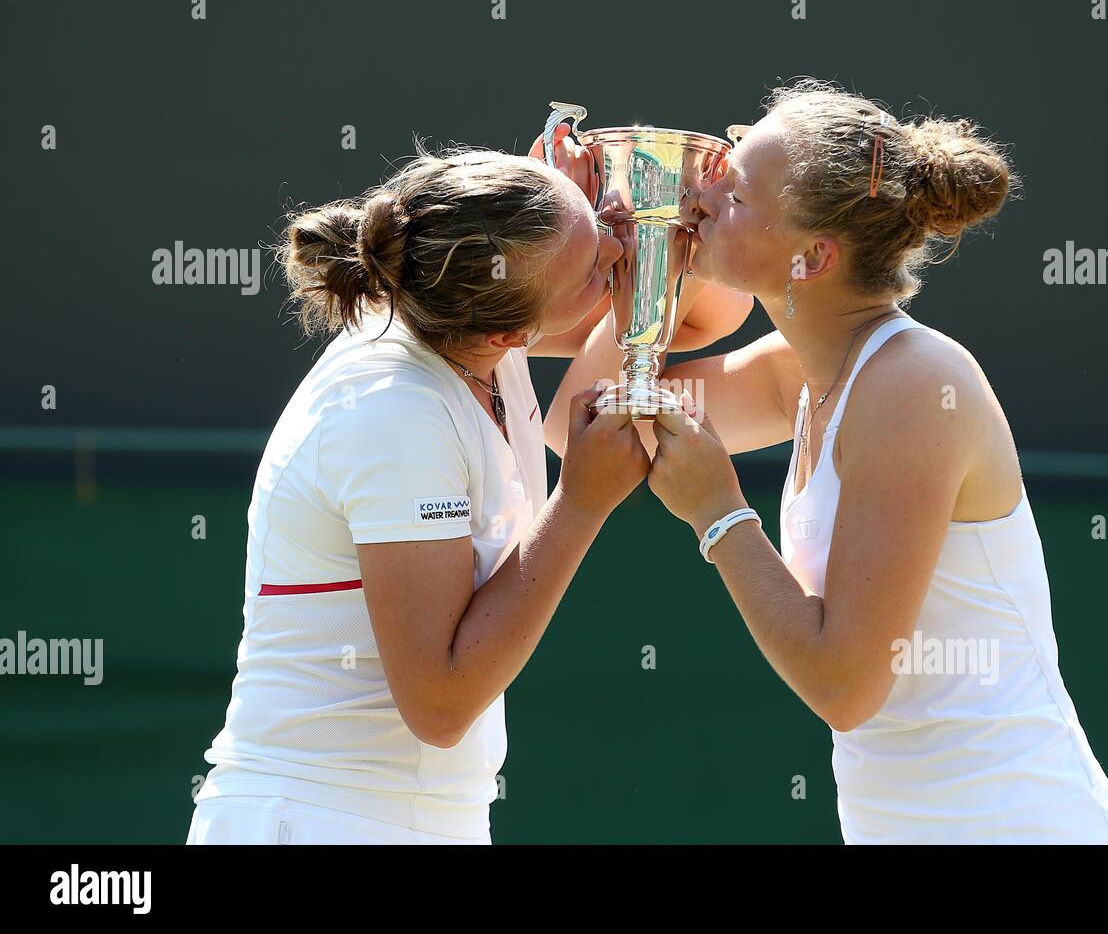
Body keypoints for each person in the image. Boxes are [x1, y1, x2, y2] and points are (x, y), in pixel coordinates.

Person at [553, 80, 1108, 844]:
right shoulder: (804, 371)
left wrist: (720, 514)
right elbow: (593, 418)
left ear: (813, 257)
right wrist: (659, 248)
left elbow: (845, 684)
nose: (703, 193)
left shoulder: (915, 385)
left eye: (732, 192)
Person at [186, 127, 752, 845]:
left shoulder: (456, 314)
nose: (613, 255)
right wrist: (579, 504)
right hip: (322, 822)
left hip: (412, 818)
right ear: (507, 336)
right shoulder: (395, 410)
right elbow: (442, 703)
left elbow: (703, 314)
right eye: (590, 271)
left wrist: (668, 230)